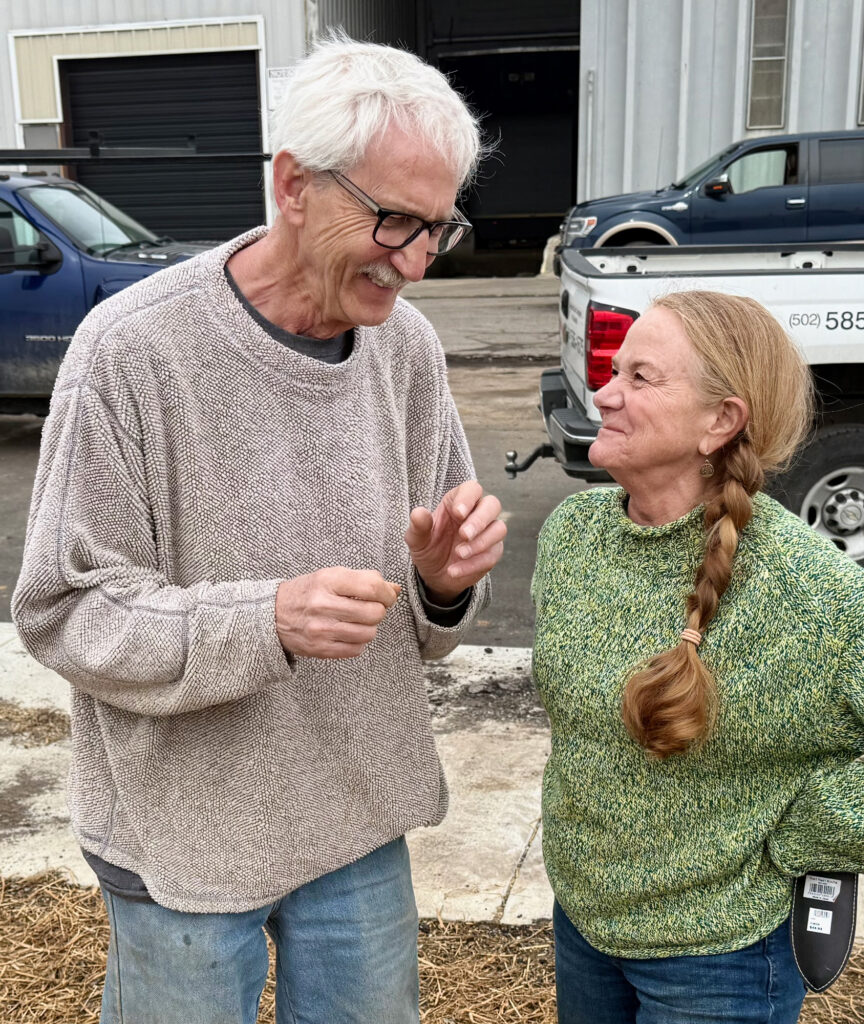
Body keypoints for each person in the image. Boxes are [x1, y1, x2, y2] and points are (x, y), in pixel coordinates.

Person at [13, 37, 505, 1024]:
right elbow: (63, 611)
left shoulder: (403, 346)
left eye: (436, 229)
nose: (412, 262)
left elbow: (434, 623)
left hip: (356, 812)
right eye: (391, 220)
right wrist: (266, 619)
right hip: (183, 832)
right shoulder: (134, 350)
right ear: (291, 184)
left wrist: (444, 582)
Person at [530, 290, 864, 1024]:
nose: (604, 394)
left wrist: (802, 832)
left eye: (640, 377)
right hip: (583, 925)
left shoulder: (806, 589)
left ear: (720, 421)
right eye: (613, 372)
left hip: (719, 961)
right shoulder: (573, 534)